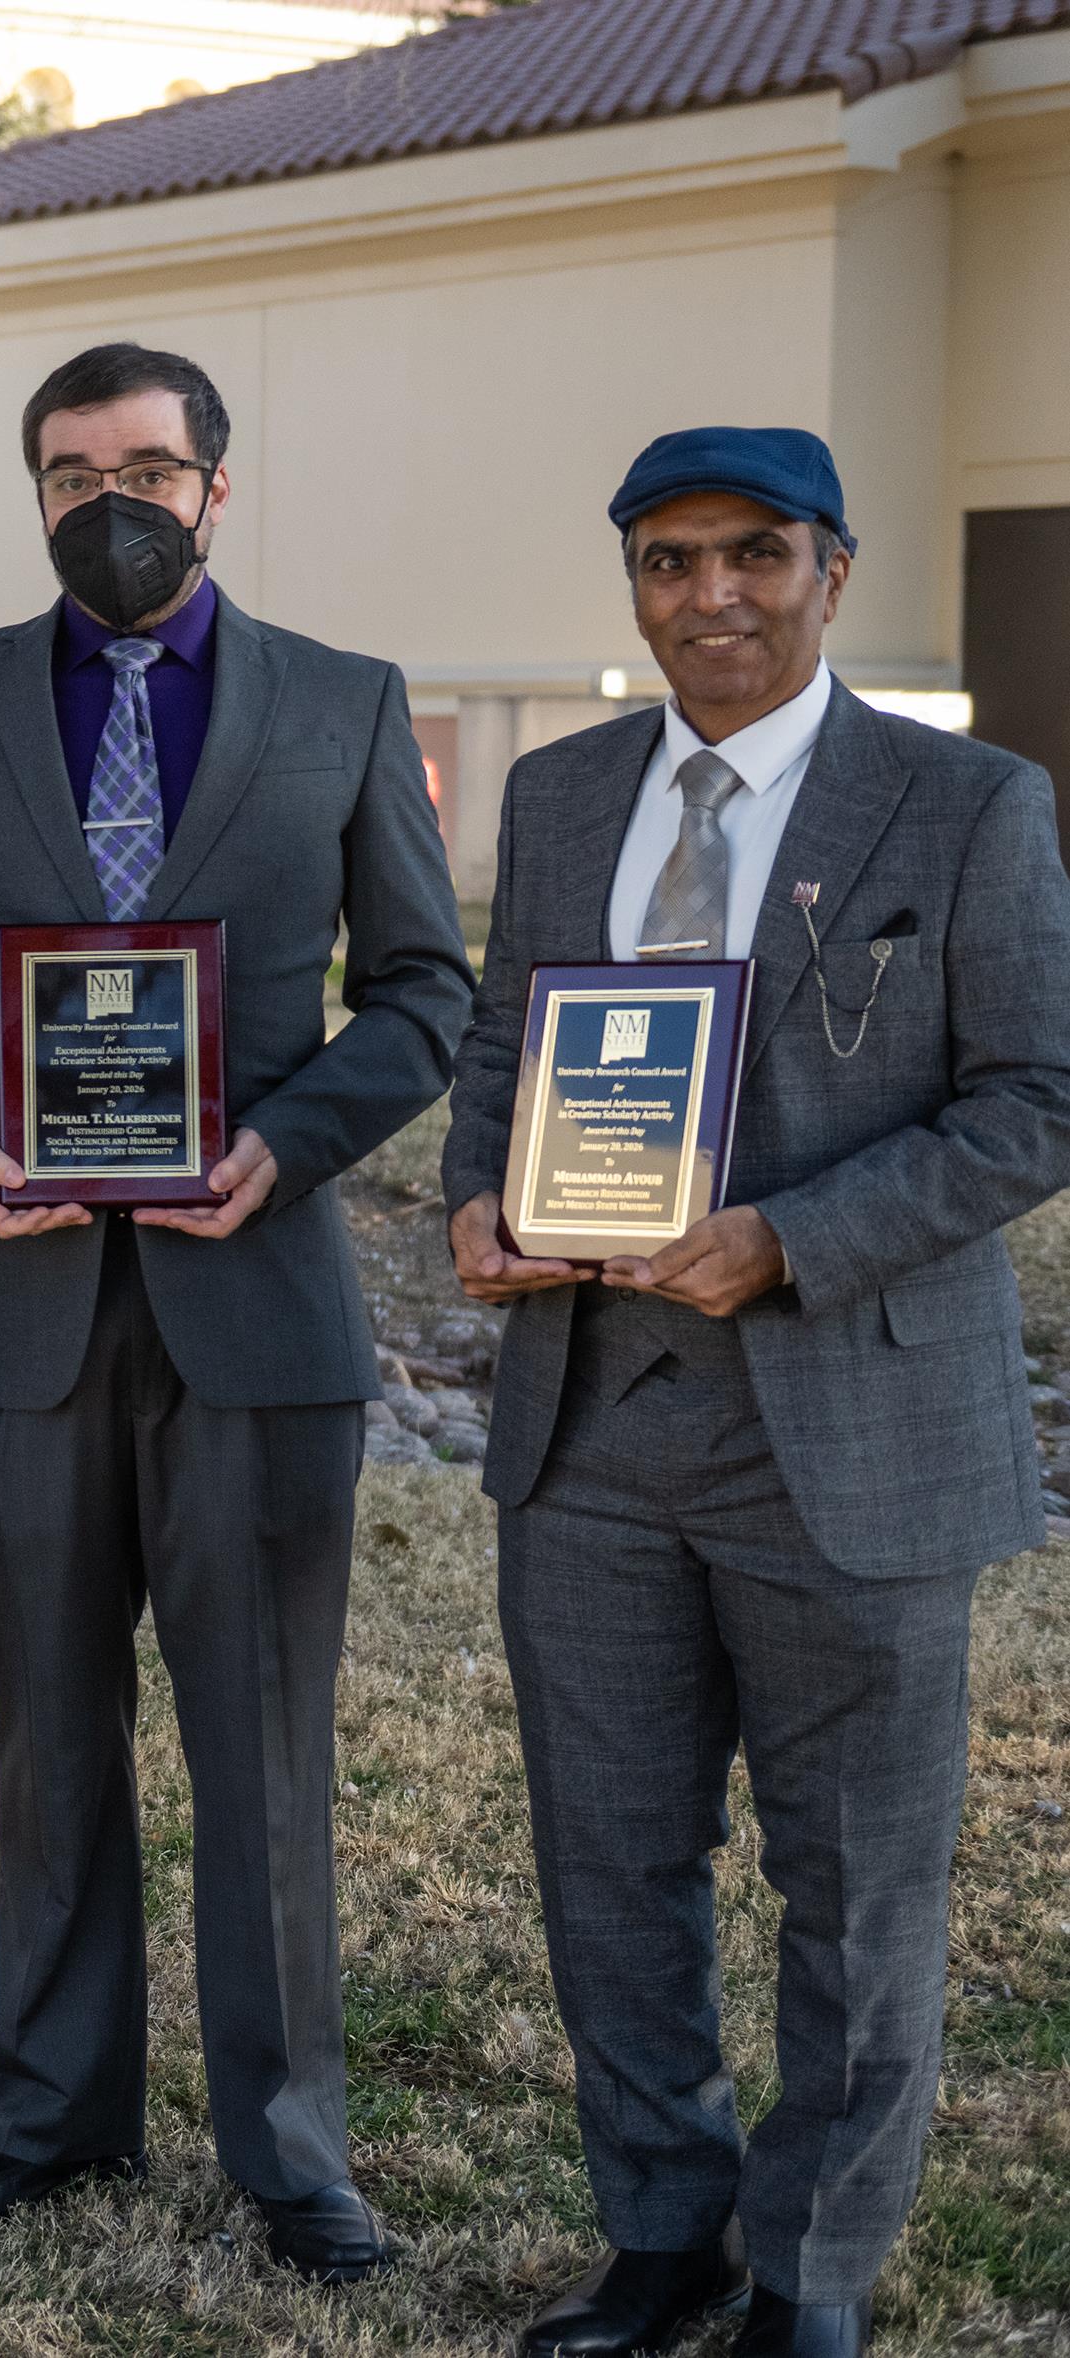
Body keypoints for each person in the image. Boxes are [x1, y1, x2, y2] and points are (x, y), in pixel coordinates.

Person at [0, 342, 470, 2280]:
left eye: (144, 466)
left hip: (252, 1310)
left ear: (213, 484)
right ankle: (44, 2119)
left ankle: (286, 2150)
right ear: (31, 492)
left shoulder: (340, 708)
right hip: (11, 1301)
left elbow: (424, 992)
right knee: (46, 1734)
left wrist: (280, 1144)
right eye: (65, 469)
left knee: (260, 1744)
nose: (107, 498)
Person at [442, 429, 1070, 2358]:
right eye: (664, 559)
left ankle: (809, 2274)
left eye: (751, 554)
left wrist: (789, 1235)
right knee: (607, 1859)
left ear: (831, 570)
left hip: (849, 1418)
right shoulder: (559, 796)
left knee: (856, 1883)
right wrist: (479, 1194)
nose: (708, 591)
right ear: (628, 582)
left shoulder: (963, 801)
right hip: (591, 1420)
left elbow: (1033, 1099)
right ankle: (663, 2235)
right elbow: (501, 1043)